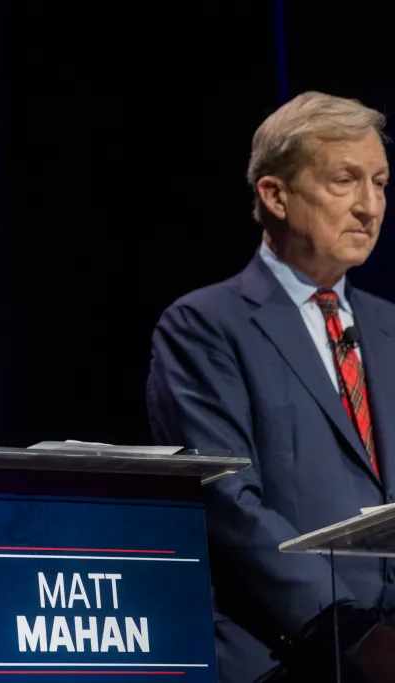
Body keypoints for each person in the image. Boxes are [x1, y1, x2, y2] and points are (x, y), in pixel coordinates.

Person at [147, 91, 395, 682]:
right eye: (345, 180)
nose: (370, 206)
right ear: (275, 195)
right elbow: (228, 500)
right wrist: (350, 629)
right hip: (284, 656)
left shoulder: (388, 326)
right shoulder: (205, 325)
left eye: (381, 183)